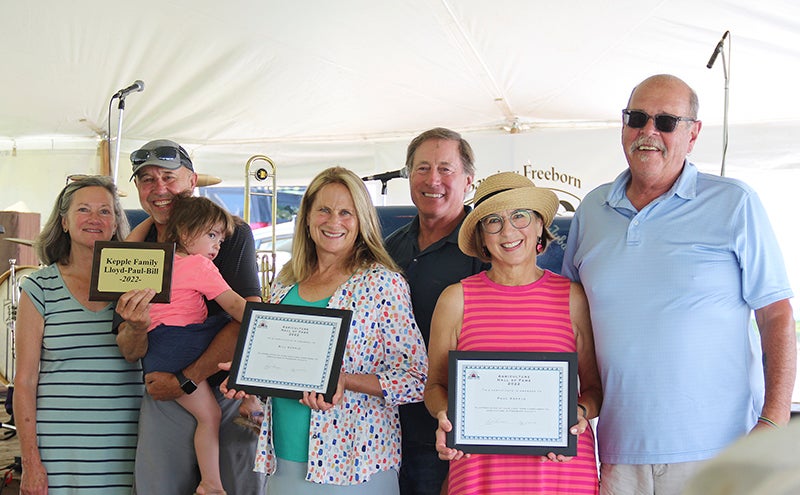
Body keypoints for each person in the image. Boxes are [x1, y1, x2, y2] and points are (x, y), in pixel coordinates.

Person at [561, 74, 796, 495]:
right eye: (637, 117)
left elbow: (776, 315)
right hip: (618, 453)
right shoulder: (592, 210)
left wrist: (774, 420)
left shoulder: (734, 202)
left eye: (667, 121)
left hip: (721, 451)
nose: (648, 131)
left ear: (693, 134)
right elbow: (568, 321)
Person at [221, 166, 428, 493]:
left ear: (361, 221)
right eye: (324, 210)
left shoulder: (382, 284)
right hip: (282, 460)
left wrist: (345, 381)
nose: (334, 221)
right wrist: (248, 376)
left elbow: (417, 379)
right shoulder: (283, 285)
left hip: (355, 464)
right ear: (306, 217)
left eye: (346, 212)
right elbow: (277, 369)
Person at [425, 171, 602, 494]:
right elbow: (434, 386)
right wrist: (445, 416)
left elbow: (594, 390)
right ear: (482, 236)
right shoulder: (456, 299)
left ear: (539, 226)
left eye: (519, 216)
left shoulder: (573, 297)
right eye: (493, 221)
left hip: (561, 474)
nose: (508, 230)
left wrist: (579, 412)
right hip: (480, 471)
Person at [114, 139, 265, 495]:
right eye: (147, 180)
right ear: (137, 188)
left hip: (218, 387)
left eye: (169, 177)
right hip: (163, 388)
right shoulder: (135, 249)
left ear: (192, 181)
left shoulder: (231, 231)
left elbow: (244, 318)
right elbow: (128, 347)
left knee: (240, 483)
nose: (160, 188)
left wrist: (186, 379)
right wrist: (136, 327)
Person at [14, 176, 144, 494]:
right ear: (65, 223)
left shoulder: (138, 283)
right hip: (59, 453)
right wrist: (31, 463)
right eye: (83, 209)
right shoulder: (40, 287)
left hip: (129, 447)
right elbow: (25, 381)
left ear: (116, 224)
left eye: (105, 211)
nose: (95, 219)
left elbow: (141, 354)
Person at [384, 127, 488, 495]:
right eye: (422, 168)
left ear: (469, 181)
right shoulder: (388, 249)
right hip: (384, 428)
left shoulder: (484, 250)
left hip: (449, 436)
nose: (433, 180)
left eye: (446, 169)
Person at [126, 194, 249, 495]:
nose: (218, 246)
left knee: (204, 414)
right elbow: (236, 307)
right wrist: (273, 324)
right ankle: (211, 482)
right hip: (182, 343)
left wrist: (150, 222)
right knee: (211, 414)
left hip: (158, 348)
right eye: (211, 235)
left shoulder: (154, 261)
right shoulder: (199, 266)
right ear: (184, 233)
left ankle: (211, 481)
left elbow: (127, 249)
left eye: (220, 238)